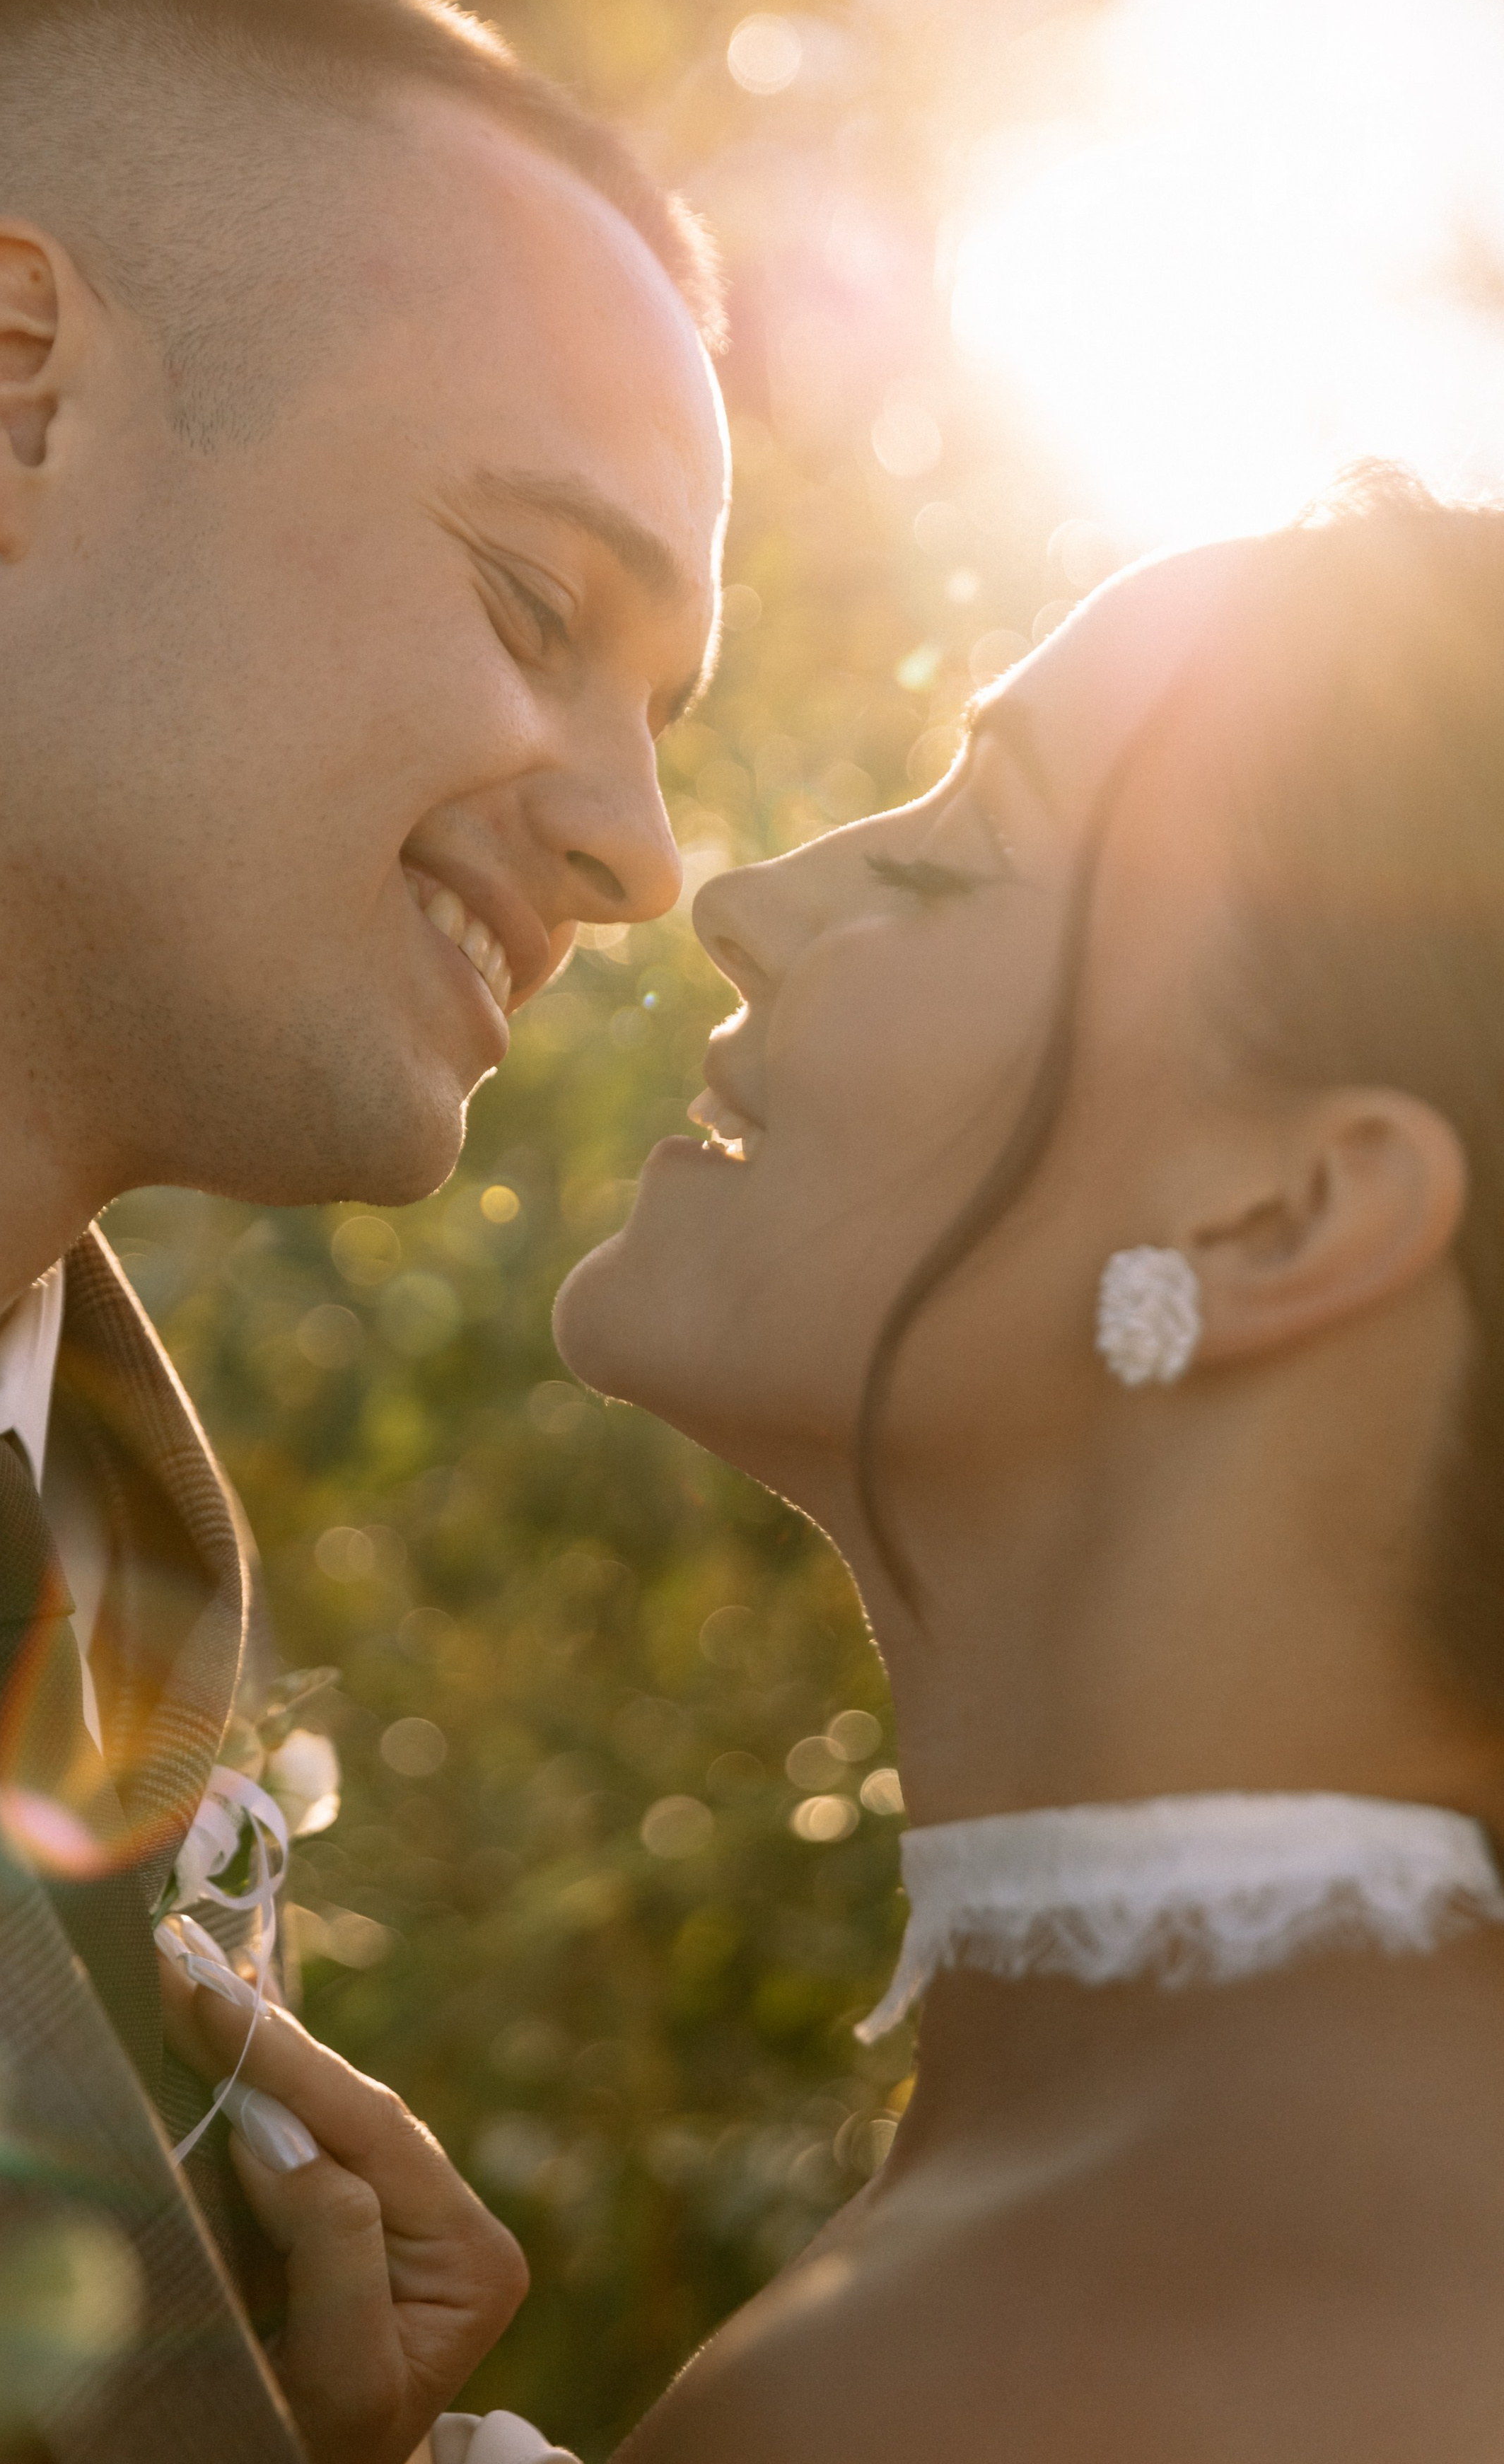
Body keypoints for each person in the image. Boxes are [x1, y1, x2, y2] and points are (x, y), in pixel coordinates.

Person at [0, 0, 726, 2463]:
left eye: (666, 717)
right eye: (533, 602)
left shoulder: (112, 1621)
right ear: (21, 392)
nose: (646, 851)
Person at [549, 474, 1504, 2460]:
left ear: (1282, 1219)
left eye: (948, 861)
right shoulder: (1178, 2209)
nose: (740, 901)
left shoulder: (1078, 2366)